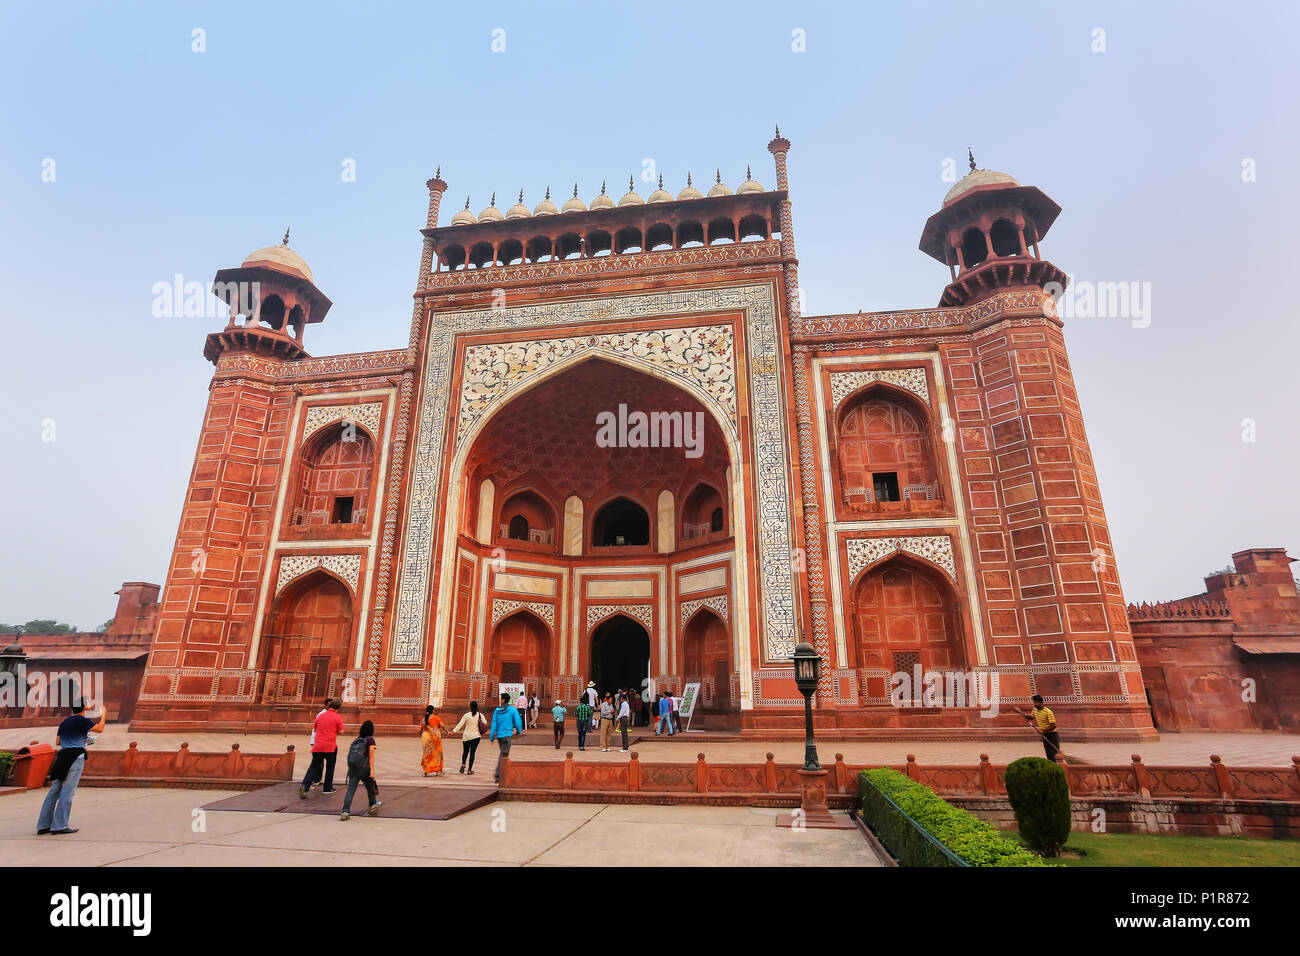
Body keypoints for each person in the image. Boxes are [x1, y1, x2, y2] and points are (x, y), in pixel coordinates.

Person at [36, 697, 106, 835]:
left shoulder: (65, 722)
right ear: (84, 707)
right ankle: (59, 826)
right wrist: (104, 714)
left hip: (62, 758)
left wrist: (78, 739)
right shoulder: (82, 720)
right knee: (67, 792)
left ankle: (43, 825)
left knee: (54, 791)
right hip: (75, 758)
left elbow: (58, 741)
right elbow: (100, 729)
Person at [300, 697, 344, 797]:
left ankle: (305, 785)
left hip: (318, 745)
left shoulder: (321, 715)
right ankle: (327, 788)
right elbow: (341, 731)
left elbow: (315, 730)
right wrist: (333, 731)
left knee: (314, 766)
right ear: (338, 708)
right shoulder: (337, 717)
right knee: (330, 767)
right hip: (330, 746)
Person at [339, 720, 381, 820]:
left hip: (353, 769)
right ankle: (372, 804)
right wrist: (372, 771)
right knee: (370, 786)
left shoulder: (357, 739)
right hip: (364, 769)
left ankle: (345, 811)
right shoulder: (370, 740)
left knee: (351, 790)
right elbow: (371, 757)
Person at [490, 691, 525, 783]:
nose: (500, 700)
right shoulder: (512, 710)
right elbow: (518, 721)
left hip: (500, 736)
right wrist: (518, 730)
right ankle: (498, 775)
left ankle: (501, 774)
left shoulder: (497, 710)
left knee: (503, 754)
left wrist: (492, 736)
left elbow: (494, 723)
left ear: (503, 700)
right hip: (507, 735)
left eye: (501, 698)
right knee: (504, 755)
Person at [1018, 695, 1061, 760]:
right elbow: (1031, 717)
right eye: (1034, 702)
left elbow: (1053, 725)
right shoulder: (1035, 709)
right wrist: (1021, 713)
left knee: (1055, 753)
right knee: (1048, 753)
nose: (1035, 704)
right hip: (1045, 735)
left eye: (1036, 702)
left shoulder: (1048, 712)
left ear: (1041, 702)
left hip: (1052, 735)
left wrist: (1043, 731)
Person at [451, 700, 487, 774]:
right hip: (476, 736)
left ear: (470, 707)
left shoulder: (466, 715)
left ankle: (463, 764)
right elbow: (485, 722)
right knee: (472, 753)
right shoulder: (480, 715)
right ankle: (469, 770)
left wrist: (453, 731)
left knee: (465, 752)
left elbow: (460, 725)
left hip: (466, 736)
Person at [420, 704, 445, 776]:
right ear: (433, 710)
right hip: (436, 738)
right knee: (437, 754)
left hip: (427, 739)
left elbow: (419, 729)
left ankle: (426, 772)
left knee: (427, 754)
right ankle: (438, 771)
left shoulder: (424, 719)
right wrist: (447, 731)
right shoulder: (436, 717)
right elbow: (442, 725)